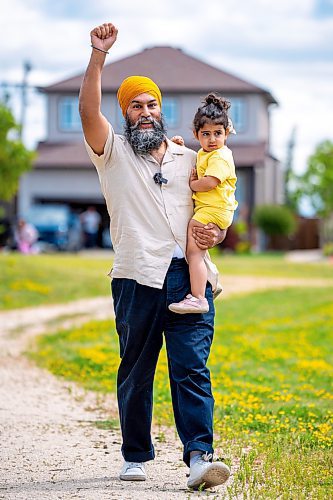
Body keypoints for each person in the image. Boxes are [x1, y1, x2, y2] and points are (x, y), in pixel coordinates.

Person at [79, 22, 231, 491]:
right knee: (137, 368)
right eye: (135, 106)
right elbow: (88, 110)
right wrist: (98, 56)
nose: (144, 112)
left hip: (189, 279)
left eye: (151, 105)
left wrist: (218, 229)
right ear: (124, 113)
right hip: (135, 277)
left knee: (191, 368)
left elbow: (219, 203)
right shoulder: (113, 152)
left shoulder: (192, 159)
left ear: (161, 111)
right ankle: (135, 455)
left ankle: (200, 457)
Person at [168, 94, 238, 314]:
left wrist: (193, 184)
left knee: (194, 252)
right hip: (215, 209)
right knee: (194, 250)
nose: (212, 139)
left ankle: (199, 297)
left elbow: (210, 182)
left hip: (214, 210)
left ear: (226, 133)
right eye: (205, 134)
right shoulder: (205, 153)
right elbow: (194, 161)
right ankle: (201, 290)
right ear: (196, 135)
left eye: (218, 133)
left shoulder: (220, 156)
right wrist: (177, 145)